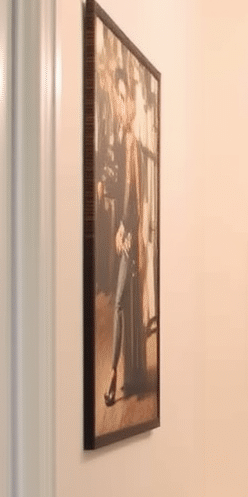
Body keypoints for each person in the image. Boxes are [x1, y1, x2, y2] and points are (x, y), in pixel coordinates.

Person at [104, 68, 145, 404]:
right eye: (115, 97)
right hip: (112, 227)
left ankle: (114, 372)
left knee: (118, 302)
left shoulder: (131, 140)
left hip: (124, 230)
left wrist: (124, 227)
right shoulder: (116, 137)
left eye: (123, 97)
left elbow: (132, 191)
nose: (120, 103)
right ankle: (116, 369)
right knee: (113, 301)